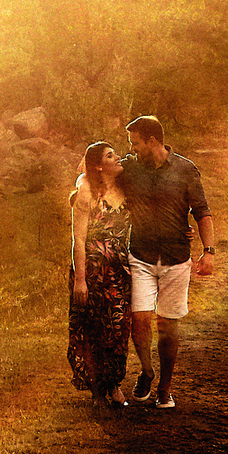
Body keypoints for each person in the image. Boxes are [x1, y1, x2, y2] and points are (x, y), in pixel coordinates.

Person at [122, 115, 216, 409]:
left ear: (152, 141)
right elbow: (92, 170)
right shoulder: (129, 167)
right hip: (141, 254)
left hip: (176, 258)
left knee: (169, 325)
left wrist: (208, 250)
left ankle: (165, 387)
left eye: (135, 143)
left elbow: (202, 211)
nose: (132, 148)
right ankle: (147, 371)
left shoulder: (186, 169)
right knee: (139, 317)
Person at [69, 141, 131, 408]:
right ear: (98, 165)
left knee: (118, 328)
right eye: (110, 156)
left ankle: (114, 383)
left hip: (119, 269)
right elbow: (78, 240)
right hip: (92, 270)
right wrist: (80, 280)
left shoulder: (127, 188)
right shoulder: (86, 193)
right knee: (94, 329)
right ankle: (97, 390)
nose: (117, 158)